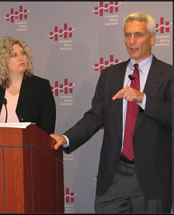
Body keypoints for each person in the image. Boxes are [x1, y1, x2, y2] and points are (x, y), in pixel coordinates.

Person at [51, 12, 172, 213]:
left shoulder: (169, 75)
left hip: (152, 178)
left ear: (152, 38)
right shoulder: (110, 76)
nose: (131, 41)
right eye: (127, 35)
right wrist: (66, 138)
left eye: (138, 35)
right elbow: (95, 116)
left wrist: (143, 99)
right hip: (114, 175)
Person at [0, 36, 56, 134]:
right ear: (3, 61)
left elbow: (47, 129)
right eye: (14, 55)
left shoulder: (40, 87)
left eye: (23, 53)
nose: (21, 58)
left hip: (31, 147)